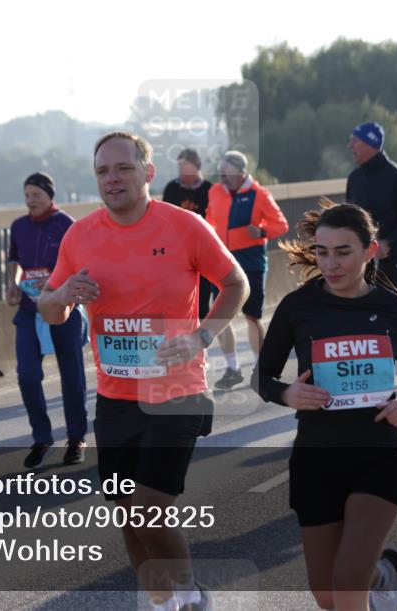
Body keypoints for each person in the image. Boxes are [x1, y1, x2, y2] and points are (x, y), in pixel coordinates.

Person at [39, 131, 249, 611]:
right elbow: (50, 310)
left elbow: (234, 283)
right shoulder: (80, 235)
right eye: (103, 172)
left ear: (148, 173)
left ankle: (191, 594)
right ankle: (162, 601)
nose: (112, 179)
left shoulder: (186, 227)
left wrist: (201, 336)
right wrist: (64, 293)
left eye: (123, 169)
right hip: (115, 397)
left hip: (178, 388)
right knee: (128, 517)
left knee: (150, 508)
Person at [254, 200, 397, 611]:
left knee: (347, 585)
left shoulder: (394, 310)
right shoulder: (297, 307)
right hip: (316, 458)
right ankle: (380, 573)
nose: (330, 263)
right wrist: (287, 394)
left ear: (371, 251)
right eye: (322, 251)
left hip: (379, 454)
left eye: (343, 252)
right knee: (326, 592)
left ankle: (368, 577)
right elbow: (262, 378)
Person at [6, 172, 88, 468]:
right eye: (27, 196)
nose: (31, 201)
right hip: (29, 311)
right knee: (27, 376)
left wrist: (63, 291)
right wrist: (13, 283)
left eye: (36, 196)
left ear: (50, 197)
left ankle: (77, 438)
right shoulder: (18, 226)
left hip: (63, 310)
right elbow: (14, 260)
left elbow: (83, 266)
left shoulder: (67, 225)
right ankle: (42, 437)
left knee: (72, 377)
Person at [205, 150, 289, 389]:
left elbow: (281, 224)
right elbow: (209, 220)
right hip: (221, 261)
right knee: (221, 315)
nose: (223, 175)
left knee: (252, 316)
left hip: (251, 260)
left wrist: (262, 232)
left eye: (227, 171)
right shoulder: (214, 192)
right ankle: (232, 369)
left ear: (241, 172)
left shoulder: (259, 194)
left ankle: (262, 370)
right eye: (221, 170)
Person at [346, 122, 397, 294]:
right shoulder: (354, 178)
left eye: (354, 141)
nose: (350, 146)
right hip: (359, 261)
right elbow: (348, 219)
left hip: (389, 261)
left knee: (385, 315)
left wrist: (389, 243)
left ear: (370, 143)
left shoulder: (396, 176)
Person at [163, 148, 214, 321]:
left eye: (184, 165)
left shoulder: (209, 189)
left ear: (195, 166)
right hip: (178, 253)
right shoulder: (172, 189)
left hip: (203, 252)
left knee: (202, 306)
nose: (180, 169)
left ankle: (201, 342)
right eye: (179, 166)